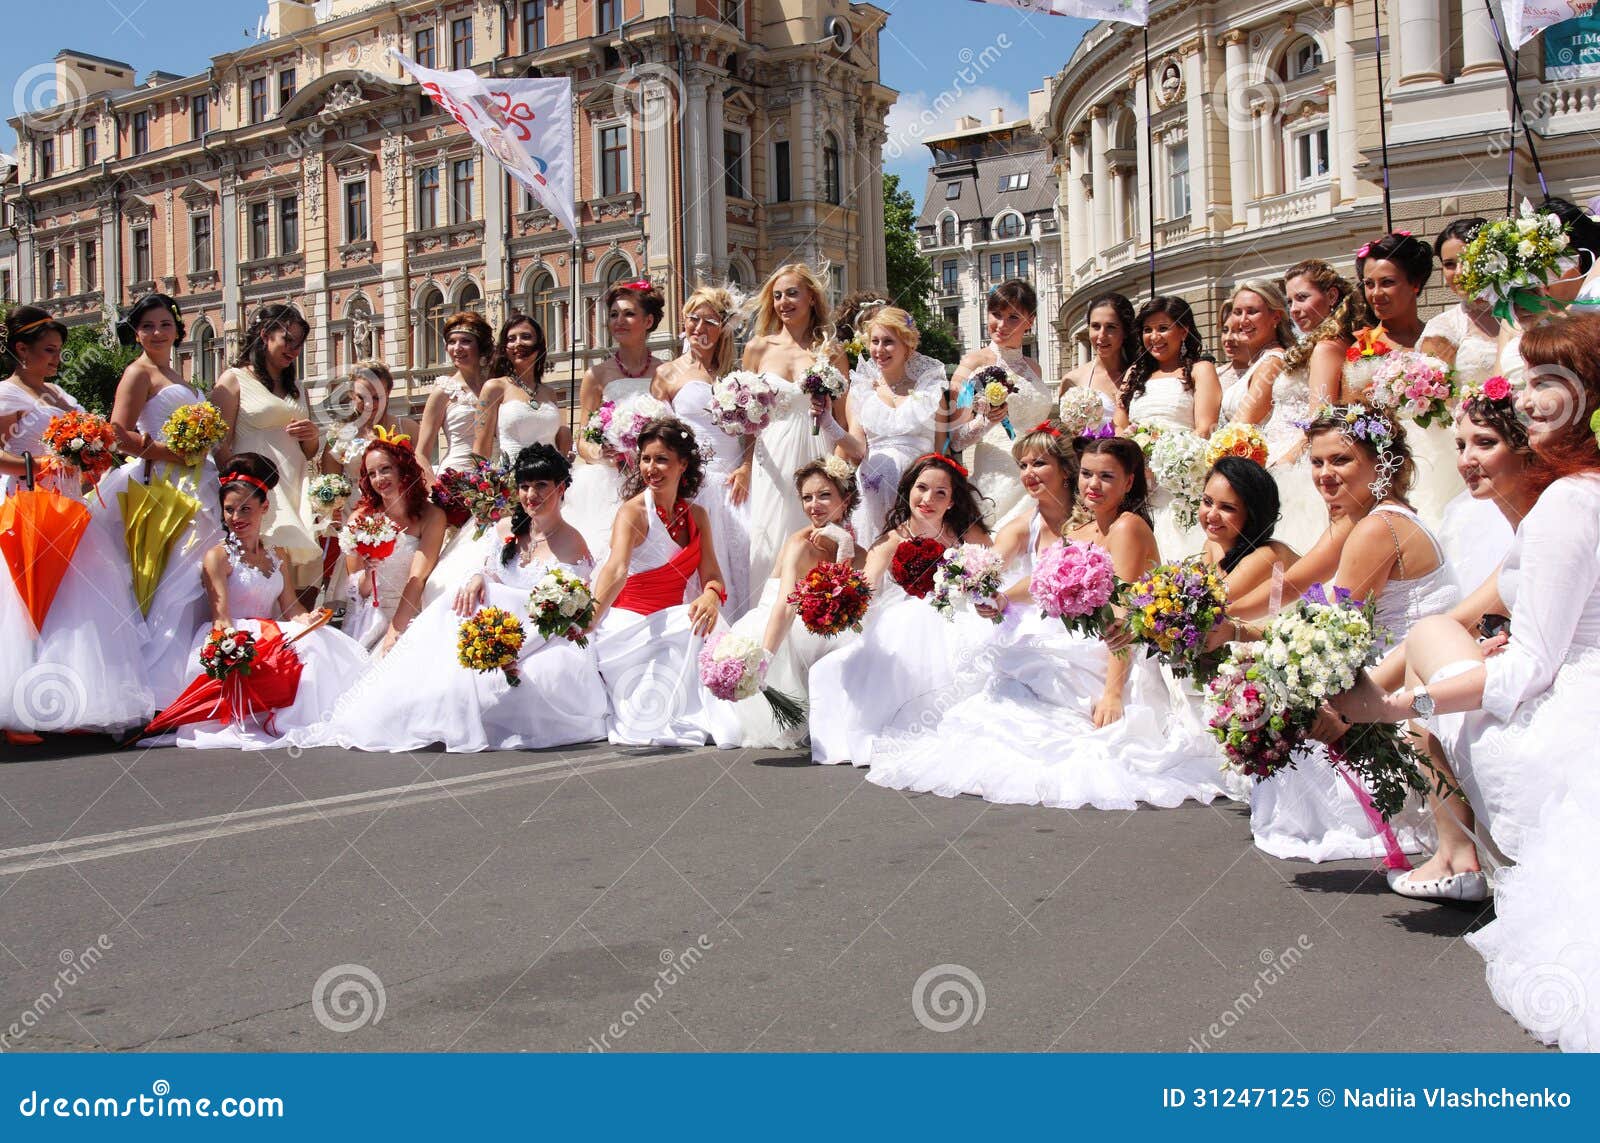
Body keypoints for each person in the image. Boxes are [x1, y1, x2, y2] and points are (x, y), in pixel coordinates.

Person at [1332, 315, 1600, 1050]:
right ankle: (1457, 851)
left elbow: (1528, 669)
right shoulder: (1575, 495)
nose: (1523, 401)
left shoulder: (1567, 506)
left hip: (1568, 715)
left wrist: (1394, 704)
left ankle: (1461, 852)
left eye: (1543, 385)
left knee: (1427, 640)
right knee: (1438, 639)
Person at [867, 435, 1230, 810]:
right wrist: (1006, 597)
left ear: (1129, 481)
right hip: (1083, 639)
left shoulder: (1127, 527)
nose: (1093, 485)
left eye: (1106, 476)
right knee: (1007, 697)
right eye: (1087, 474)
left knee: (1035, 695)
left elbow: (1122, 622)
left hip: (1117, 654)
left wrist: (1113, 695)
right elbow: (1045, 581)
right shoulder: (1082, 527)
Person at [1221, 406, 1458, 863]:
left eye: (1341, 461)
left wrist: (1238, 630)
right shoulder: (1363, 517)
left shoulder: (1375, 528)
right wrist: (1226, 611)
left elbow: (1334, 628)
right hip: (1400, 660)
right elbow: (1292, 585)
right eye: (1317, 461)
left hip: (1401, 674)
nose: (1324, 474)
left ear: (1380, 461)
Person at [292, 444, 606, 753]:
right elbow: (489, 571)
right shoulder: (506, 528)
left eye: (541, 485)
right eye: (524, 486)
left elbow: (571, 608)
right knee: (446, 619)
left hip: (541, 637)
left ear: (561, 488)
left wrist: (515, 640)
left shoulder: (572, 542)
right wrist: (477, 578)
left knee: (506, 686)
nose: (531, 495)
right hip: (492, 626)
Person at [0, 307, 152, 741]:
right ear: (20, 350)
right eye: (48, 351)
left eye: (59, 352)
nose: (55, 359)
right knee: (29, 602)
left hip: (70, 505)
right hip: (30, 505)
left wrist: (92, 457)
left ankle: (75, 703)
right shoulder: (6, 397)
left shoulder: (59, 393)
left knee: (77, 606)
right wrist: (41, 465)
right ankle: (18, 712)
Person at [152, 453, 369, 749]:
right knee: (304, 646)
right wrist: (232, 647)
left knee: (321, 639)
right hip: (233, 634)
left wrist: (309, 618)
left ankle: (323, 716)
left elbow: (291, 606)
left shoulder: (277, 554)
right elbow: (220, 616)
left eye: (245, 509)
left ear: (264, 507)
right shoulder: (218, 556)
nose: (236, 518)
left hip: (271, 630)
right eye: (229, 510)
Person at [809, 453, 992, 767]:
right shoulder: (893, 539)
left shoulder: (965, 532)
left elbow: (991, 570)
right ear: (909, 490)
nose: (928, 499)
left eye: (940, 493)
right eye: (921, 488)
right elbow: (863, 585)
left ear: (951, 502)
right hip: (907, 619)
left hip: (958, 611)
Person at [93, 293, 225, 706]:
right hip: (165, 482)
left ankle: (197, 675)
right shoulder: (138, 373)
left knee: (202, 570)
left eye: (165, 324)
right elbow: (117, 431)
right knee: (173, 574)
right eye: (147, 326)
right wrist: (171, 453)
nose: (157, 332)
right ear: (137, 333)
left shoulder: (180, 376)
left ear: (177, 330)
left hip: (198, 479)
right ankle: (157, 686)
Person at [587, 417, 739, 747]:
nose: (651, 468)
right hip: (630, 626)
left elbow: (712, 574)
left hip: (675, 622)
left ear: (683, 464)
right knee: (648, 712)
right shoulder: (632, 513)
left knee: (704, 622)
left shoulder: (698, 516)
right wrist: (586, 622)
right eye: (645, 458)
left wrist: (711, 596)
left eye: (661, 459)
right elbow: (615, 570)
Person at [720, 456, 867, 749]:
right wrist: (765, 659)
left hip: (821, 627)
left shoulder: (858, 552)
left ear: (845, 498)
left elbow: (848, 605)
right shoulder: (801, 545)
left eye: (825, 495)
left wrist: (844, 550)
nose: (814, 505)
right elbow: (785, 607)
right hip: (779, 627)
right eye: (807, 497)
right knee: (808, 629)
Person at [743, 263, 851, 583]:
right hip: (771, 458)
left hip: (818, 453)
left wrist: (838, 471)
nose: (783, 302)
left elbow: (843, 418)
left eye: (792, 293)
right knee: (770, 534)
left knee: (816, 538)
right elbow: (748, 419)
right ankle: (766, 618)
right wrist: (744, 466)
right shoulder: (757, 348)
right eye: (777, 296)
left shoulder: (831, 352)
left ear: (812, 299)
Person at [211, 303, 321, 605]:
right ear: (265, 335)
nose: (294, 350)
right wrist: (238, 490)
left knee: (304, 570)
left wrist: (312, 436)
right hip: (258, 488)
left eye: (299, 344)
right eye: (288, 340)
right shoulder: (233, 379)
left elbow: (309, 451)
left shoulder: (297, 387)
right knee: (266, 563)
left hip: (294, 483)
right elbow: (220, 444)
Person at [654, 286, 754, 617]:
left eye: (710, 320)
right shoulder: (668, 373)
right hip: (693, 484)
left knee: (743, 558)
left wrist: (747, 468)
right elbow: (660, 436)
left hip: (734, 482)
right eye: (693, 319)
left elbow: (754, 431)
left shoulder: (735, 374)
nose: (700, 328)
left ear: (723, 326)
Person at [1353, 232, 1461, 525]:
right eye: (1369, 284)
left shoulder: (1444, 334)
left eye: (1387, 282)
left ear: (1415, 284)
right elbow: (1352, 416)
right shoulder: (1360, 348)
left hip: (1447, 454)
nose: (1375, 293)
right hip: (1390, 465)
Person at [565, 281, 667, 556]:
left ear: (648, 320)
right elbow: (582, 437)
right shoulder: (596, 375)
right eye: (613, 314)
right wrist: (599, 453)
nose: (619, 321)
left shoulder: (666, 372)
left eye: (628, 314)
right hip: (608, 478)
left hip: (653, 477)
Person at [941, 280, 1055, 526]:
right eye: (996, 314)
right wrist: (986, 421)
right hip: (998, 472)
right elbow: (956, 439)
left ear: (1030, 321)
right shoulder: (971, 364)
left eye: (1013, 317)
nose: (1001, 325)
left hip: (1040, 475)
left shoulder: (1035, 368)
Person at [1116, 295, 1221, 559]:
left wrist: (1169, 459)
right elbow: (1120, 422)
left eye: (1163, 328)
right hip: (1139, 481)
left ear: (1183, 330)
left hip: (1179, 479)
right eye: (1148, 330)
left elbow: (1206, 428)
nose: (1154, 337)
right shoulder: (1134, 374)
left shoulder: (1201, 370)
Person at [831, 306, 944, 541]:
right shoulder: (860, 390)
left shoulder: (931, 390)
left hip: (921, 496)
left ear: (908, 346)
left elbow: (941, 451)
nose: (879, 350)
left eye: (888, 342)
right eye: (874, 341)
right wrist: (826, 423)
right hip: (873, 495)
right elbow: (858, 449)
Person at [339, 437, 447, 655]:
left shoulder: (431, 515)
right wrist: (369, 574)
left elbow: (417, 579)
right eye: (372, 473)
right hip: (368, 617)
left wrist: (395, 631)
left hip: (410, 613)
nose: (379, 479)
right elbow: (357, 591)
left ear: (403, 469)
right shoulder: (360, 519)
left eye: (385, 469)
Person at [414, 311, 494, 479]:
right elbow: (421, 453)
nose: (457, 348)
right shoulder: (443, 392)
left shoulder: (498, 387)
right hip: (454, 481)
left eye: (465, 341)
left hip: (498, 481)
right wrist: (434, 490)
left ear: (480, 346)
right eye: (451, 342)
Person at [1058, 293, 1134, 422]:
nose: (1101, 335)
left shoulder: (1140, 375)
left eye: (1111, 327)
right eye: (1095, 326)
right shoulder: (1072, 380)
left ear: (1125, 331)